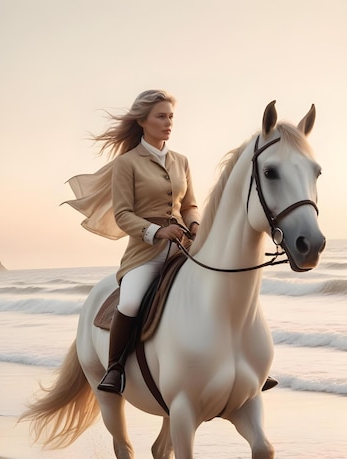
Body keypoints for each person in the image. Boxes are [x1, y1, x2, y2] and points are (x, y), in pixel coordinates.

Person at [65, 89, 277, 395]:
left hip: (186, 245)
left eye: (171, 117)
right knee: (131, 300)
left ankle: (248, 364)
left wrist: (194, 222)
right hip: (144, 253)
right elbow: (124, 214)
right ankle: (116, 367)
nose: (168, 123)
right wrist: (155, 232)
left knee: (229, 289)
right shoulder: (127, 164)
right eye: (161, 117)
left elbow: (189, 204)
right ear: (143, 121)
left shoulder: (181, 161)